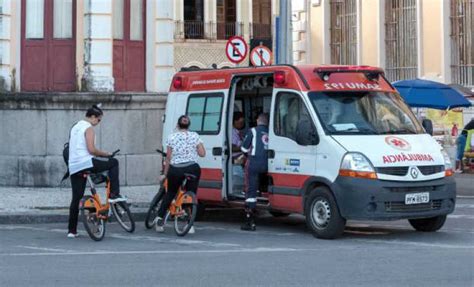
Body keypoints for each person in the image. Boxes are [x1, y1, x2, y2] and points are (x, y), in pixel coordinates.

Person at [67, 105, 125, 238]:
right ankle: (114, 194)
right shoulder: (88, 128)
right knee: (113, 163)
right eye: (98, 120)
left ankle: (71, 231)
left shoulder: (75, 127)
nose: (98, 123)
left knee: (76, 198)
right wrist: (106, 154)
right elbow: (91, 150)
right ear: (92, 117)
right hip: (86, 162)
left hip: (74, 166)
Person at [155, 115, 206, 233]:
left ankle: (159, 220)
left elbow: (168, 158)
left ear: (178, 125)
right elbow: (202, 153)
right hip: (192, 168)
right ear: (189, 125)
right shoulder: (195, 136)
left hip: (176, 169)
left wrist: (164, 174)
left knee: (171, 192)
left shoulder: (172, 137)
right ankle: (189, 224)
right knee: (191, 194)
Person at [240, 113, 269, 231]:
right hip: (267, 163)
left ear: (257, 120)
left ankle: (249, 221)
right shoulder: (271, 132)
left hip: (254, 162)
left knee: (250, 190)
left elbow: (244, 148)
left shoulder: (253, 131)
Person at [232, 112, 245, 194]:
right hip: (235, 159)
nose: (241, 124)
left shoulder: (238, 132)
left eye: (242, 123)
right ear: (234, 122)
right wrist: (243, 149)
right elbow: (231, 148)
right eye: (240, 123)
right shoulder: (232, 133)